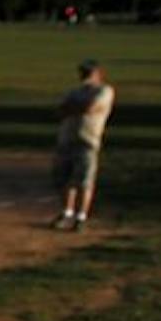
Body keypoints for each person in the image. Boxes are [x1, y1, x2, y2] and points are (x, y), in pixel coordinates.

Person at [51, 58, 115, 231]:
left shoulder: (105, 90)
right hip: (67, 137)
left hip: (88, 139)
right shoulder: (74, 91)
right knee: (64, 179)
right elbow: (61, 110)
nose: (85, 76)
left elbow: (90, 108)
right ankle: (67, 212)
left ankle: (81, 216)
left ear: (98, 74)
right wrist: (76, 107)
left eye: (88, 73)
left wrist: (74, 107)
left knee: (84, 180)